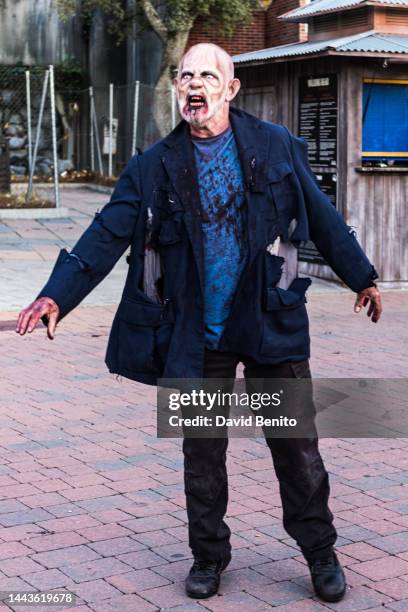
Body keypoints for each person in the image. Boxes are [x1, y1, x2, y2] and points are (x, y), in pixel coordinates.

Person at [16, 43, 382, 602]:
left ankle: (320, 552)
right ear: (178, 91)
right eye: (186, 75)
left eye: (208, 75)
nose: (195, 84)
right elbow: (105, 235)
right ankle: (208, 557)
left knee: (297, 449)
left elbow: (322, 213)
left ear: (230, 90)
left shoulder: (274, 144)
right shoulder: (152, 166)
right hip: (195, 329)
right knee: (203, 453)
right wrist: (55, 297)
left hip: (268, 319)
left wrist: (361, 275)